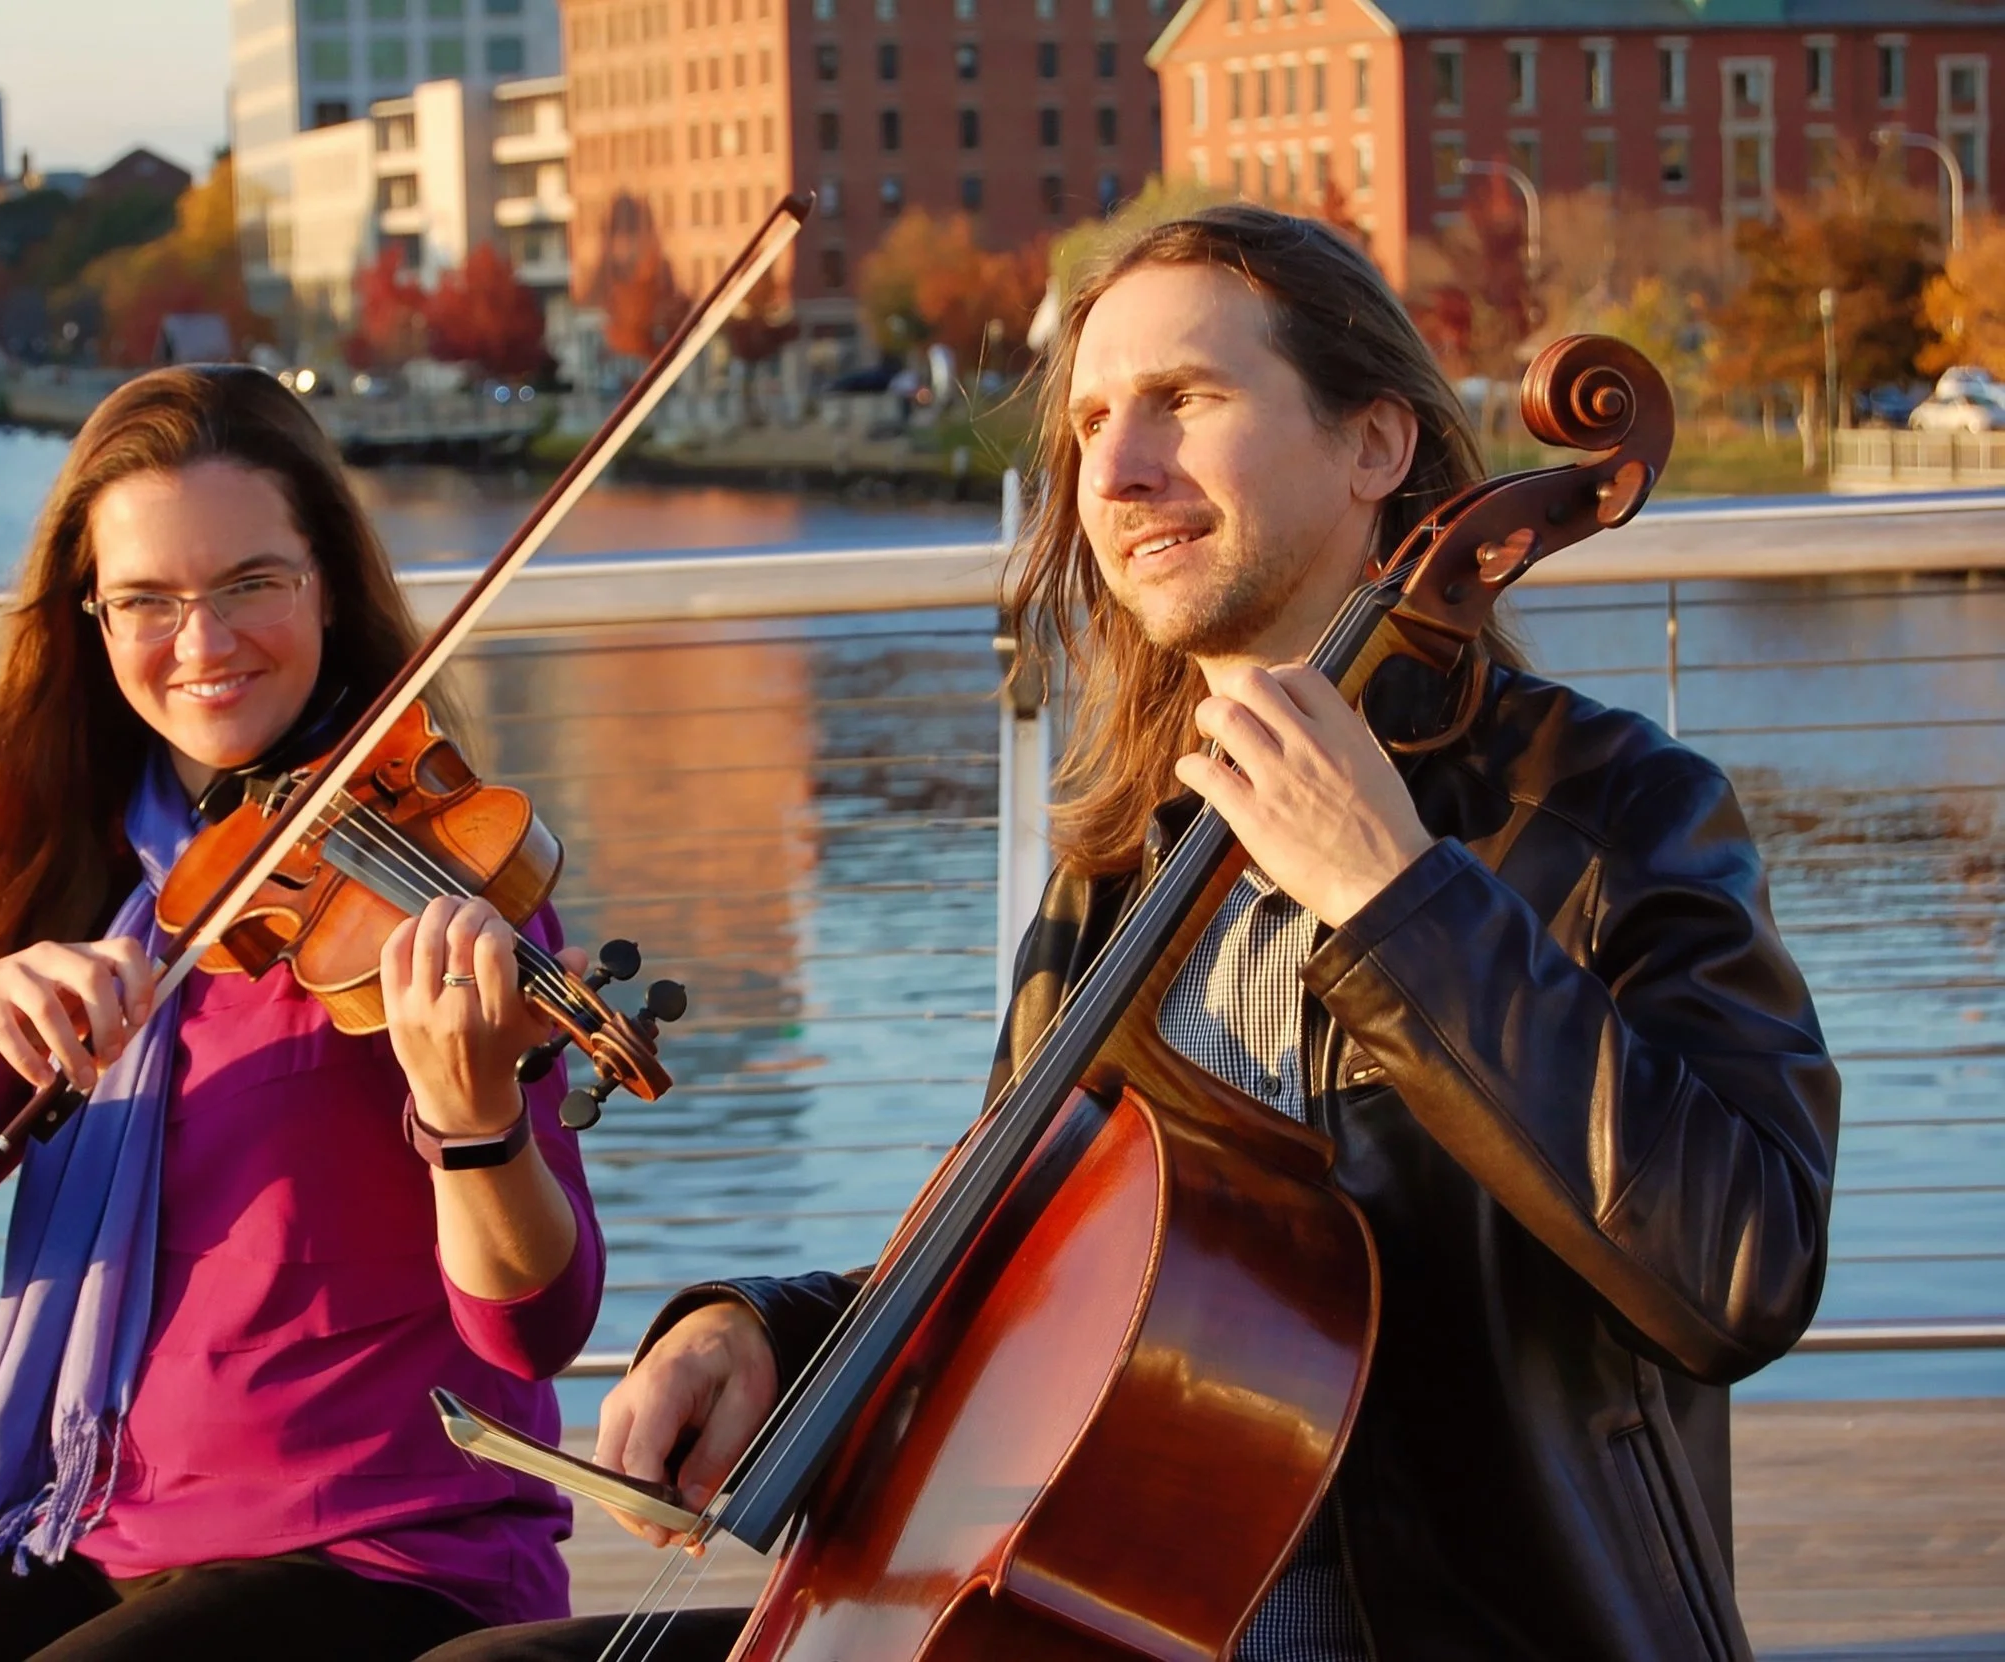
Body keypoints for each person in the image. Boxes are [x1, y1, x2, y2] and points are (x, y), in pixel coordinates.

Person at [421, 206, 1839, 1662]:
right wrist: (770, 1340)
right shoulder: (1123, 867)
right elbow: (1026, 1282)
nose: (1115, 472)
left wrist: (1400, 903)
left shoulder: (1606, 815)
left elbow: (1742, 1270)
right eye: (1093, 420)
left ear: (1375, 445)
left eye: (1185, 400)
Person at [0, 366, 605, 1662]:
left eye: (251, 583)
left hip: (383, 1551)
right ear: (91, 618)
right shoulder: (86, 881)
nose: (202, 645)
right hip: (87, 1529)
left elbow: (537, 1324)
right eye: (147, 599)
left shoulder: (436, 887)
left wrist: (477, 1123)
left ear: (326, 584)